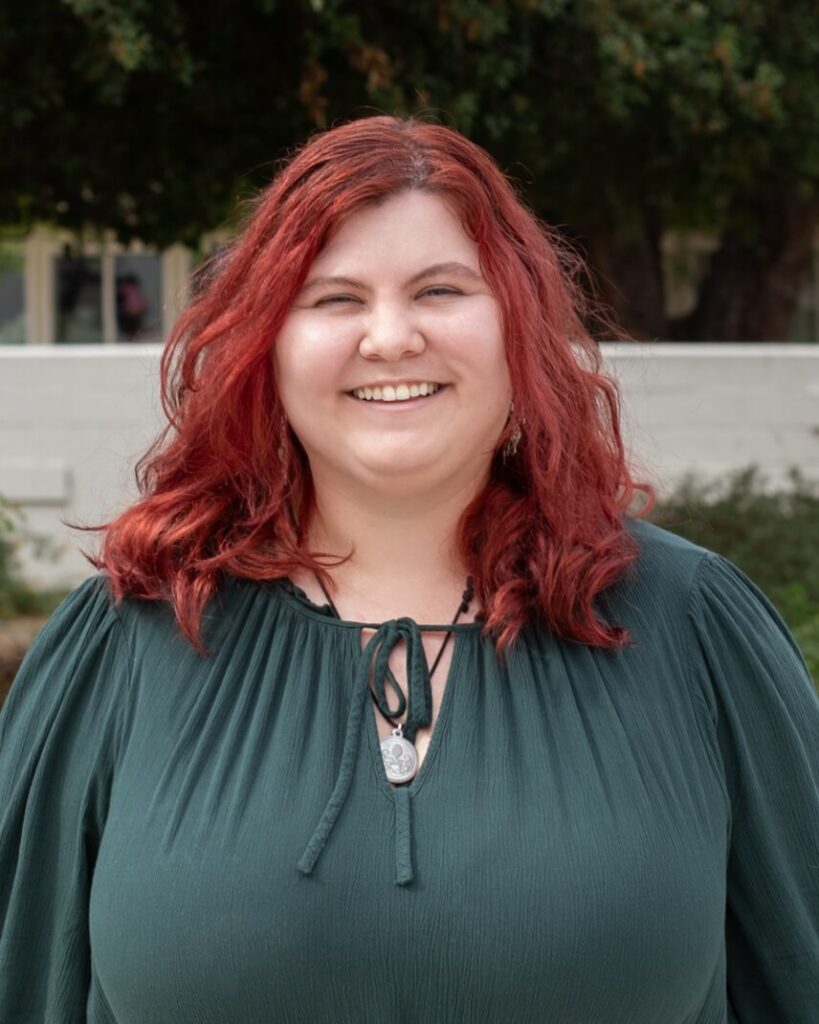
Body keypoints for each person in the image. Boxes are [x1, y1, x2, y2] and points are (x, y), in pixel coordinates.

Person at [1, 116, 817, 1024]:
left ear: (522, 325)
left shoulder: (694, 625)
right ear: (265, 342)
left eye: (440, 289)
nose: (389, 338)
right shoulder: (124, 638)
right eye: (334, 298)